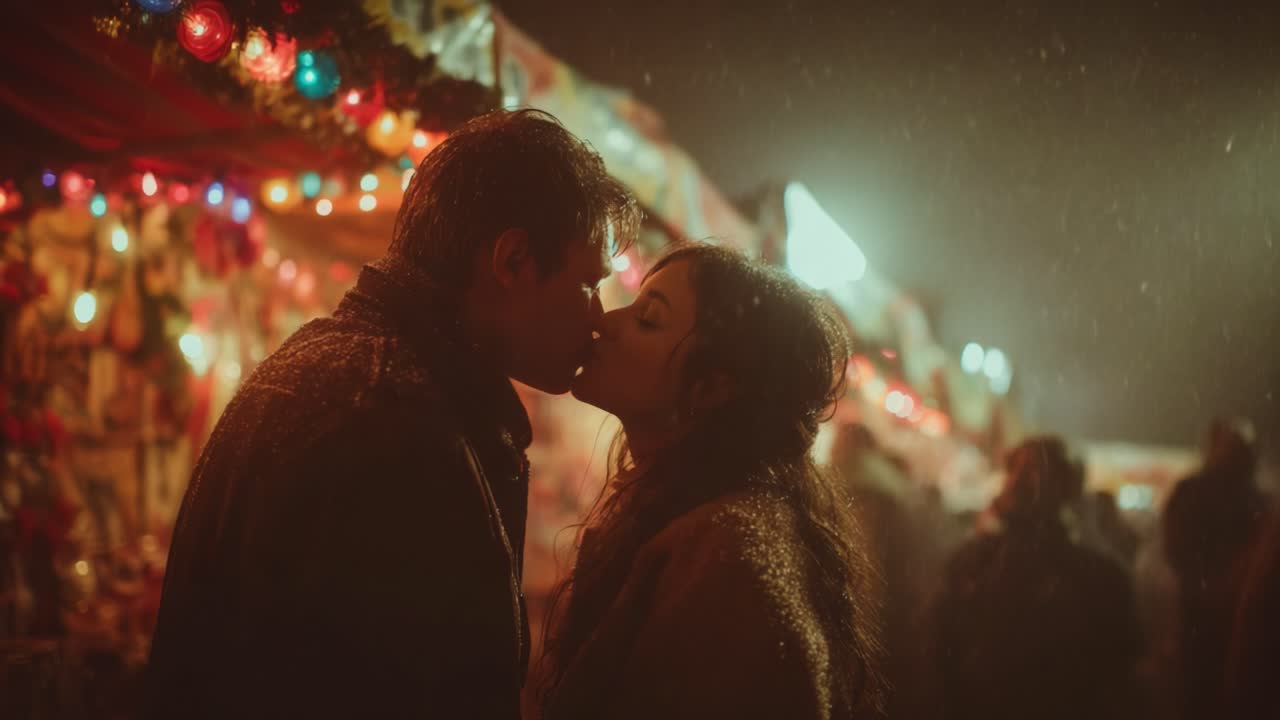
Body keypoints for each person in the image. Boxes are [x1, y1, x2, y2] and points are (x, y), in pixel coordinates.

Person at [144, 109, 639, 719]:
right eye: (588, 284)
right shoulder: (399, 422)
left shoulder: (339, 367)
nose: (597, 318)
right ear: (511, 262)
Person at [534, 243, 885, 719]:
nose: (606, 321)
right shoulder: (699, 519)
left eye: (648, 320)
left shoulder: (728, 556)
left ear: (715, 388)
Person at [925, 436, 1142, 720]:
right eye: (1019, 471)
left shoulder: (972, 565)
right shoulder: (1102, 576)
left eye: (1033, 473)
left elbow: (940, 658)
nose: (1025, 482)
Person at [1162, 418, 1269, 720]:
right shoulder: (1255, 500)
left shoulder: (1191, 493)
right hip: (1241, 618)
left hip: (1204, 616)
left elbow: (1174, 552)